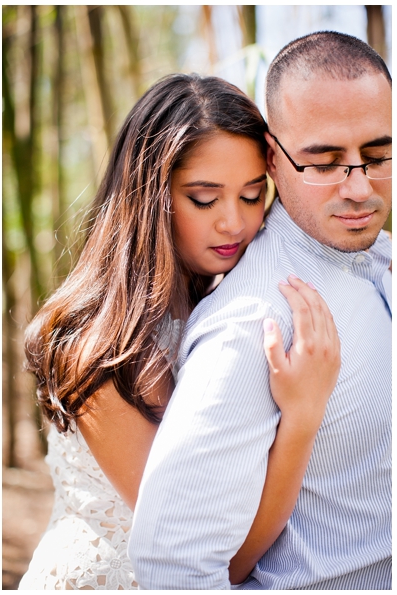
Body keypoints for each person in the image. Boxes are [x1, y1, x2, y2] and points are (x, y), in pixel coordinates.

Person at [19, 73, 341, 590]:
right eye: (204, 199)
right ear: (151, 197)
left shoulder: (229, 308)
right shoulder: (99, 352)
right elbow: (212, 559)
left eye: (254, 195)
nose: (234, 223)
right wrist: (302, 417)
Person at [129, 32, 391, 589]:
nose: (360, 187)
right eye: (324, 162)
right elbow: (175, 567)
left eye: (377, 155)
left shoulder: (379, 257)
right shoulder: (253, 324)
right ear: (276, 156)